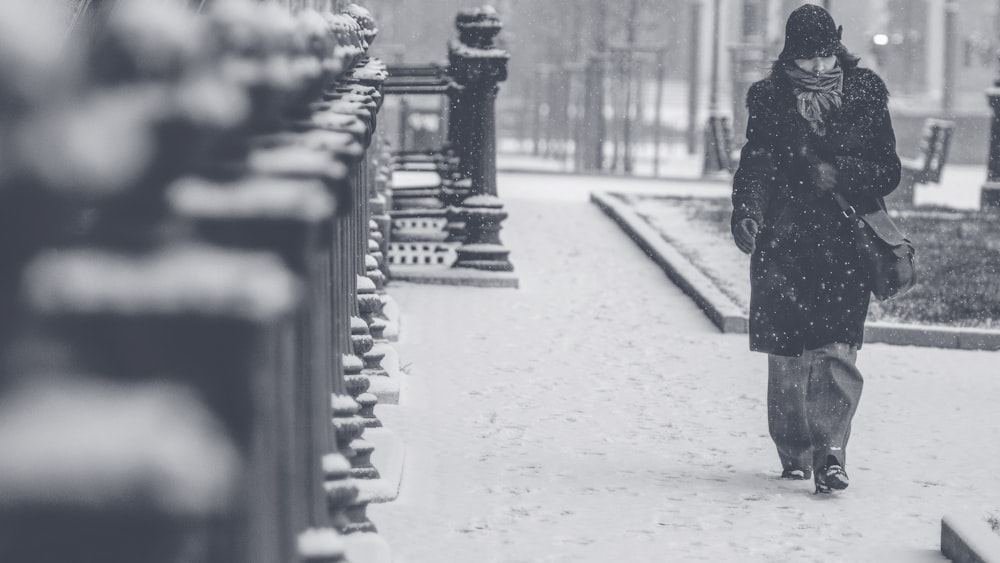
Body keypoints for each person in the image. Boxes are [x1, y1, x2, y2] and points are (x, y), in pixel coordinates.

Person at [730, 4, 901, 494]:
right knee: (786, 358)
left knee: (835, 352)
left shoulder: (866, 94)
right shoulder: (769, 99)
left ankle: (831, 454)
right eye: (807, 59)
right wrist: (747, 212)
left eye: (826, 56)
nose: (819, 68)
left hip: (845, 243)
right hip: (785, 242)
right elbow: (756, 164)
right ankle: (795, 451)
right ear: (790, 55)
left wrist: (841, 172)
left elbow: (888, 170)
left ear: (838, 48)